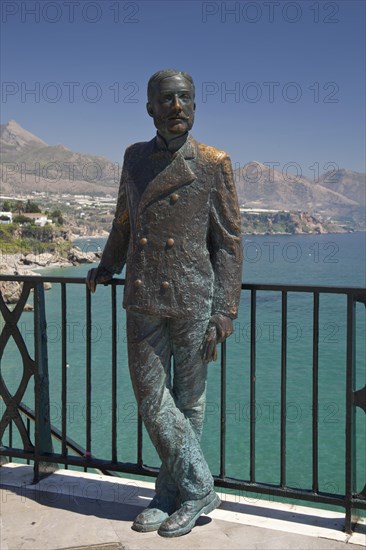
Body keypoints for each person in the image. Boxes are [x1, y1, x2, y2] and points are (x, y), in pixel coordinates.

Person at [86, 69, 242, 538]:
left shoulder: (214, 162)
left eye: (186, 98)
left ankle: (169, 493)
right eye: (168, 99)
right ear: (150, 107)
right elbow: (123, 222)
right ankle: (198, 487)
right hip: (145, 295)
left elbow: (230, 242)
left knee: (189, 402)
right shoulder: (134, 158)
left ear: (195, 106)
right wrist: (107, 266)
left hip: (195, 298)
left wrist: (224, 310)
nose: (178, 106)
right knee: (152, 399)